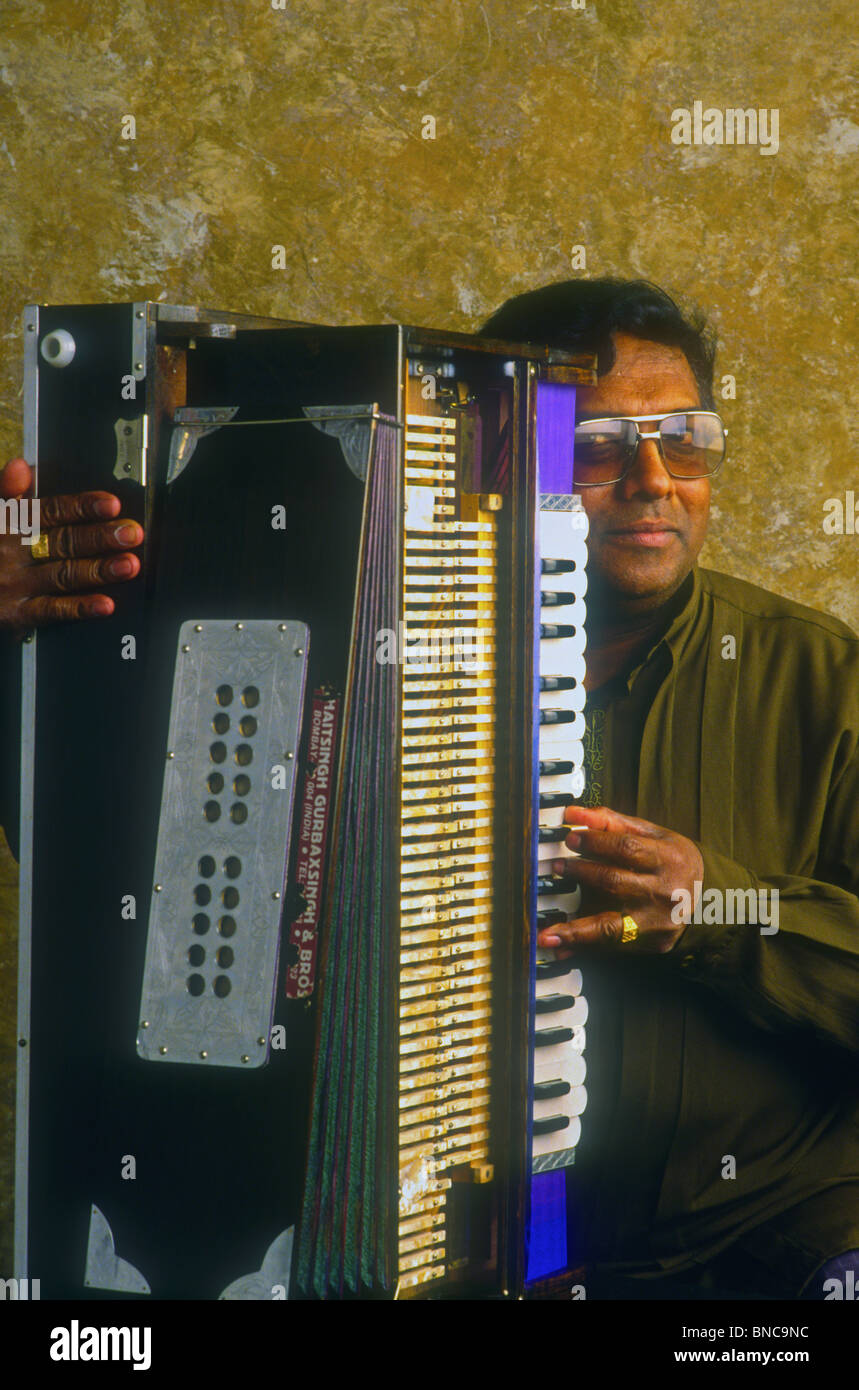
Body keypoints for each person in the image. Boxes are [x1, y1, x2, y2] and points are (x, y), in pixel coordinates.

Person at [482, 279, 859, 1299]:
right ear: (496, 458)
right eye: (599, 444)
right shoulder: (397, 661)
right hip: (465, 1253)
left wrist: (719, 911)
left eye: (683, 440)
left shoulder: (821, 679)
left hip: (771, 1242)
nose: (654, 480)